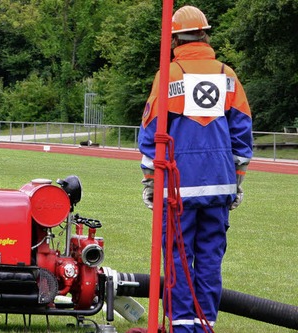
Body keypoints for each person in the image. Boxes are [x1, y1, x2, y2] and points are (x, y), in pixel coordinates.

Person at [138, 6, 253, 333]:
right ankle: (205, 326)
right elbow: (242, 132)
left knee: (177, 259)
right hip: (218, 188)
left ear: (174, 39)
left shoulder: (169, 75)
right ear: (205, 34)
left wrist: (150, 183)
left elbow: (151, 135)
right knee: (209, 262)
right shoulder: (226, 75)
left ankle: (182, 326)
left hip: (178, 190)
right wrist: (236, 182)